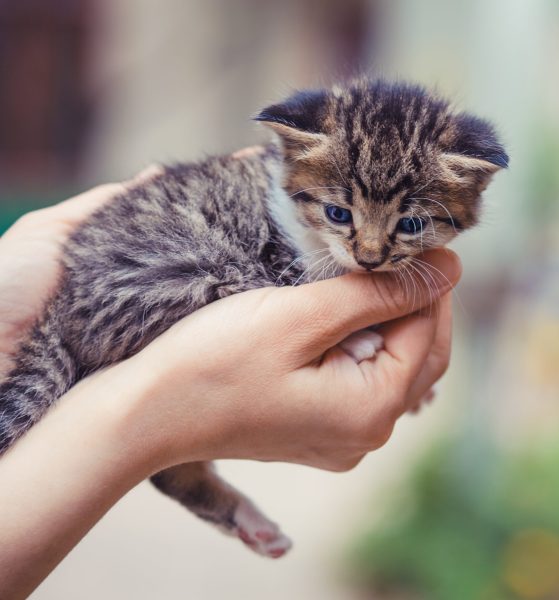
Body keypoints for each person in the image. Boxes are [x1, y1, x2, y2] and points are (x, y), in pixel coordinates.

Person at [0, 171, 461, 600]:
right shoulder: (291, 198)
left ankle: (189, 478)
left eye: (411, 223)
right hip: (129, 289)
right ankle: (187, 475)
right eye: (341, 216)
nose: (370, 250)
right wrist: (148, 418)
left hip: (95, 300)